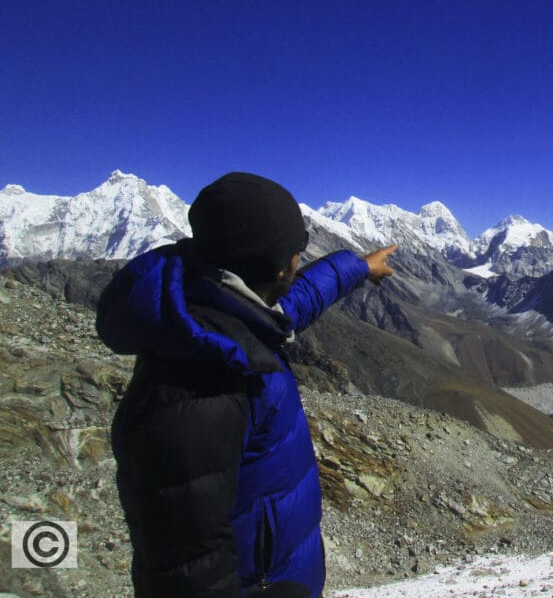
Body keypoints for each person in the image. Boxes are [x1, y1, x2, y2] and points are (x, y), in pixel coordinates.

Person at [97, 171, 396, 598]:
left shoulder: (218, 311)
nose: (299, 259)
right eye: (297, 249)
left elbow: (291, 305)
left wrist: (358, 268)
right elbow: (187, 568)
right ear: (280, 267)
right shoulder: (205, 390)